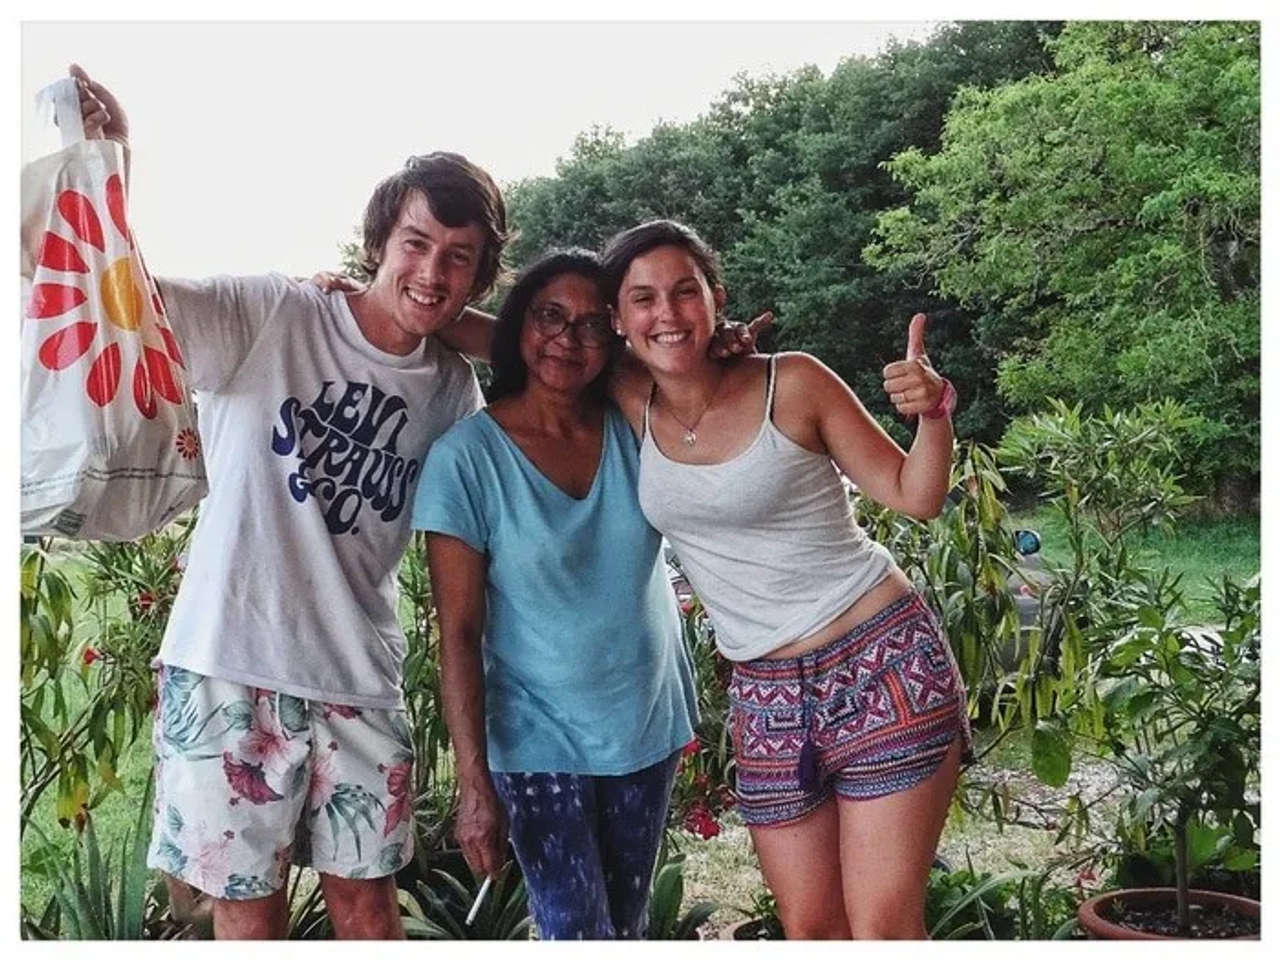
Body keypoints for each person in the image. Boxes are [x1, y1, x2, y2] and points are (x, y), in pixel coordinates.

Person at [68, 64, 509, 939]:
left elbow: (546, 358)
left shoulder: (454, 391)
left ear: (479, 277)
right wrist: (108, 167)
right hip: (230, 664)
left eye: (459, 259)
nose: (431, 272)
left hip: (360, 678)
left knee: (371, 918)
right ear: (379, 240)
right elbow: (126, 298)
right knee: (250, 924)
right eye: (416, 244)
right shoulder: (276, 314)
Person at [599, 219, 972, 940]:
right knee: (810, 931)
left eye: (685, 291)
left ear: (717, 298)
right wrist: (381, 299)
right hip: (765, 695)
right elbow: (514, 336)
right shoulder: (625, 394)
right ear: (617, 319)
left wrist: (934, 413)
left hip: (879, 662)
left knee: (884, 928)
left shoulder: (791, 380)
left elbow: (913, 493)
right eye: (642, 299)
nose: (666, 314)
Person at [411, 250, 699, 939]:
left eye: (592, 325)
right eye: (549, 317)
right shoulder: (467, 459)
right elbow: (456, 630)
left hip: (643, 722)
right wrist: (474, 783)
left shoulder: (637, 425)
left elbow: (703, 388)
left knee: (623, 929)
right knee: (575, 928)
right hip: (535, 735)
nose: (568, 340)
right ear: (518, 326)